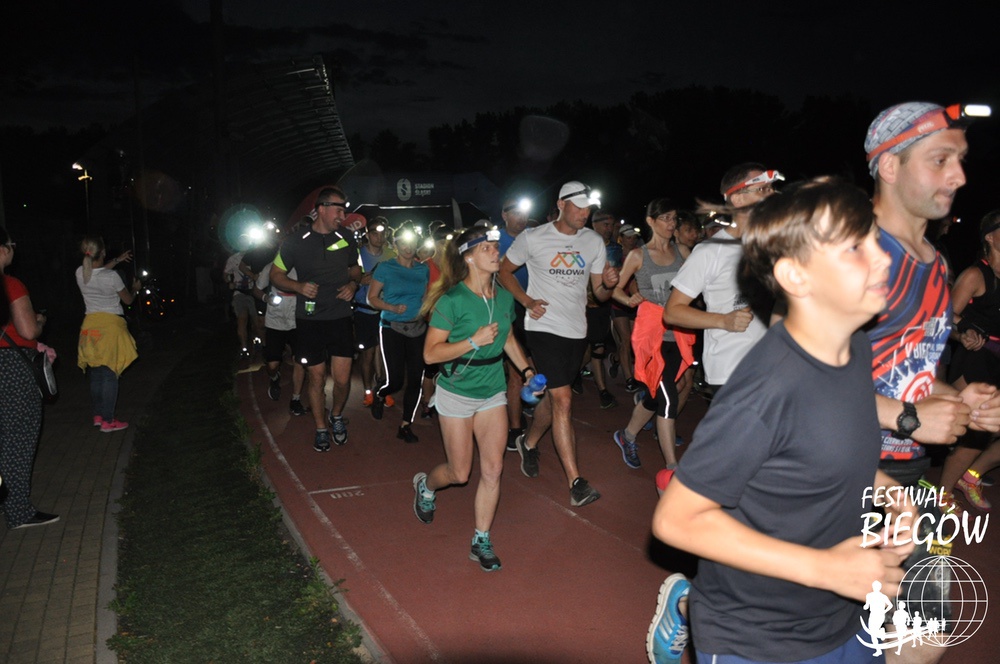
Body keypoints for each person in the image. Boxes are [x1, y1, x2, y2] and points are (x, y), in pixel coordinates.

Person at [651, 178, 913, 663]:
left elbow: (824, 445)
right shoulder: (766, 389)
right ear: (796, 276)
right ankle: (688, 602)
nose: (884, 259)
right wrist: (827, 570)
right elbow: (675, 519)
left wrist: (890, 492)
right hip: (758, 637)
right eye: (856, 247)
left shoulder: (854, 345)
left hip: (843, 615)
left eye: (877, 241)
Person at [413, 226, 533, 571]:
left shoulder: (504, 298)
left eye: (496, 247)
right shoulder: (452, 300)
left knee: (493, 469)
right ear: (468, 257)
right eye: (487, 249)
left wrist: (526, 371)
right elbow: (431, 354)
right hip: (457, 392)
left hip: (492, 391)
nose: (496, 253)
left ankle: (481, 539)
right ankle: (425, 486)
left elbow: (507, 339)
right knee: (459, 472)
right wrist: (472, 341)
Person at [499, 181, 619, 507]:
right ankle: (576, 482)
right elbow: (504, 272)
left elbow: (599, 294)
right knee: (564, 400)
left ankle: (529, 442)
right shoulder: (533, 237)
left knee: (554, 402)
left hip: (576, 330)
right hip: (543, 327)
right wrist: (526, 301)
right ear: (561, 205)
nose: (585, 213)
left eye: (588, 208)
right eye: (579, 206)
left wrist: (609, 284)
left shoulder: (593, 241)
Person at [664, 164, 776, 393]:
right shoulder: (711, 251)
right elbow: (672, 311)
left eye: (771, 188)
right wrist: (723, 321)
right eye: (762, 189)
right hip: (732, 371)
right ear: (738, 199)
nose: (772, 194)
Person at [270, 186, 362, 451]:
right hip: (309, 320)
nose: (343, 216)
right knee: (317, 377)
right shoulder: (295, 241)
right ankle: (321, 428)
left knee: (342, 380)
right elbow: (276, 275)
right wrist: (298, 286)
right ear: (321, 209)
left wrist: (353, 285)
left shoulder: (346, 237)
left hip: (340, 316)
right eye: (338, 210)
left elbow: (355, 269)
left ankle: (337, 416)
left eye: (344, 210)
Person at [611, 200, 690, 474]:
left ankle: (627, 436)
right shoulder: (638, 256)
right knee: (668, 398)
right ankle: (672, 468)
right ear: (650, 221)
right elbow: (615, 289)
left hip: (679, 333)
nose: (671, 223)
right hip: (652, 338)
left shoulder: (682, 252)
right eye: (665, 218)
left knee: (661, 393)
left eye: (674, 218)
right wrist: (628, 299)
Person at [939, 209, 1000, 511]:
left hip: (997, 361)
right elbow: (943, 314)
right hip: (976, 358)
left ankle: (971, 476)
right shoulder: (976, 275)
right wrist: (964, 331)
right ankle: (941, 493)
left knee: (988, 430)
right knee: (975, 431)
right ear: (990, 237)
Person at [0, 229, 59, 529]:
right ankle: (19, 511)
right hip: (10, 367)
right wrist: (40, 321)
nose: (13, 250)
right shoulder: (10, 284)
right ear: (1, 250)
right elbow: (27, 331)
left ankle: (6, 501)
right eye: (11, 245)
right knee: (17, 439)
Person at [367, 223, 430, 442]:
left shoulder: (423, 269)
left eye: (411, 243)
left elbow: (424, 296)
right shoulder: (385, 268)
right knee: (395, 380)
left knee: (416, 378)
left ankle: (405, 425)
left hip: (418, 328)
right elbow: (372, 298)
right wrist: (392, 308)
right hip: (391, 327)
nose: (408, 247)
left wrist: (426, 308)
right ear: (395, 245)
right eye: (403, 243)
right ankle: (380, 394)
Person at [75, 236, 140, 432]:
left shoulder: (80, 272)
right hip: (110, 327)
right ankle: (108, 420)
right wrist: (135, 290)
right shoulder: (112, 277)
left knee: (96, 374)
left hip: (90, 328)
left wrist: (117, 260)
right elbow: (128, 300)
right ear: (102, 252)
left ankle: (98, 415)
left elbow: (97, 272)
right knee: (110, 374)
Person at [498, 196, 534, 452]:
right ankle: (514, 429)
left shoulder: (533, 237)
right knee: (516, 372)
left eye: (525, 213)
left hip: (535, 309)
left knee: (532, 368)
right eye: (516, 213)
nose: (521, 218)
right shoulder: (493, 241)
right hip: (506, 311)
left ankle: (522, 406)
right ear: (504, 215)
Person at [577, 210, 621, 409]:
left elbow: (618, 276)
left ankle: (572, 375)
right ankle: (603, 391)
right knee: (596, 348)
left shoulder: (615, 249)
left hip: (604, 304)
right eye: (605, 224)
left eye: (611, 225)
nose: (609, 229)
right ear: (594, 224)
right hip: (584, 305)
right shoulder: (583, 245)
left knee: (592, 348)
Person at [256, 260, 307, 414]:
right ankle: (274, 378)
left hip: (297, 320)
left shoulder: (303, 266)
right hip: (275, 322)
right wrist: (266, 298)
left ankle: (296, 399)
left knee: (300, 361)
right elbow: (256, 289)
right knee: (272, 365)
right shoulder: (270, 267)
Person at [354, 218, 394, 408]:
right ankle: (368, 390)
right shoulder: (357, 255)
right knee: (368, 354)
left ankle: (384, 389)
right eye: (375, 233)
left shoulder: (391, 255)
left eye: (382, 233)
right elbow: (349, 279)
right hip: (364, 311)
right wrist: (360, 280)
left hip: (385, 311)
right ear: (367, 235)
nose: (379, 237)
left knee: (385, 353)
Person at [609, 224, 641, 393]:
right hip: (619, 301)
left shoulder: (640, 253)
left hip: (636, 301)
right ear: (621, 238)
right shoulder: (615, 254)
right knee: (626, 340)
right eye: (628, 237)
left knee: (634, 340)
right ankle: (629, 378)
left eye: (634, 237)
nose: (632, 240)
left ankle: (616, 358)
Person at [223, 249, 263, 357]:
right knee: (242, 318)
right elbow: (225, 274)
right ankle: (244, 348)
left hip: (255, 292)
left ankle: (258, 340)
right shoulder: (234, 258)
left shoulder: (257, 256)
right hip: (239, 292)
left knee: (257, 321)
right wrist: (229, 282)